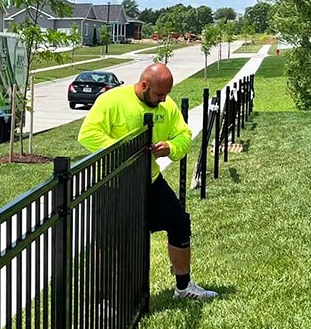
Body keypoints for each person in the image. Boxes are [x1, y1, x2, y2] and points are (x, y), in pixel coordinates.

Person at [78, 63, 218, 300]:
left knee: (179, 222)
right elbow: (88, 135)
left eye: (166, 95)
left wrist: (171, 147)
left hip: (149, 181)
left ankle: (183, 288)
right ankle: (101, 298)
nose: (163, 100)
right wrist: (127, 149)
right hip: (115, 184)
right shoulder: (111, 101)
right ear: (144, 85)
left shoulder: (166, 105)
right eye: (159, 94)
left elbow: (184, 135)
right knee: (108, 242)